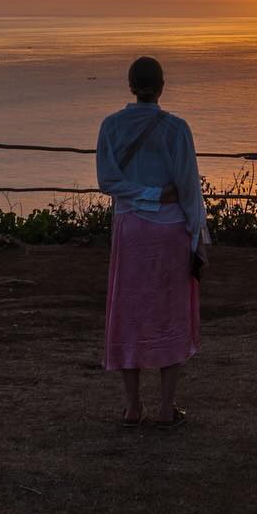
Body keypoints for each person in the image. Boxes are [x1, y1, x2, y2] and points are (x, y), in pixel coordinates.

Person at [96, 55, 209, 427]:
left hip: (131, 230)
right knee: (170, 313)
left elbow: (108, 181)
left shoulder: (111, 126)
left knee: (128, 312)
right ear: (162, 86)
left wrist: (141, 196)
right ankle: (165, 408)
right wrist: (198, 236)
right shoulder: (177, 129)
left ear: (130, 85)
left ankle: (132, 407)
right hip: (171, 230)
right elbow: (189, 188)